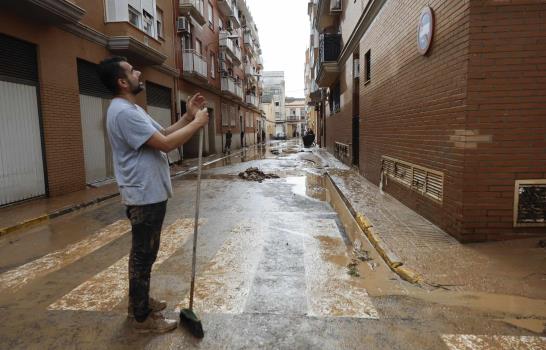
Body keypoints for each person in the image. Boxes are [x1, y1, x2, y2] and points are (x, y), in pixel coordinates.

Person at [98, 56, 209, 333]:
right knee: (143, 256)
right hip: (143, 195)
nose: (138, 72)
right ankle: (141, 318)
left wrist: (187, 115)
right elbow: (166, 144)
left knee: (144, 255)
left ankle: (140, 302)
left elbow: (162, 133)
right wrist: (196, 124)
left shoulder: (131, 109)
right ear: (123, 82)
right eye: (132, 70)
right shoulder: (123, 113)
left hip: (149, 193)